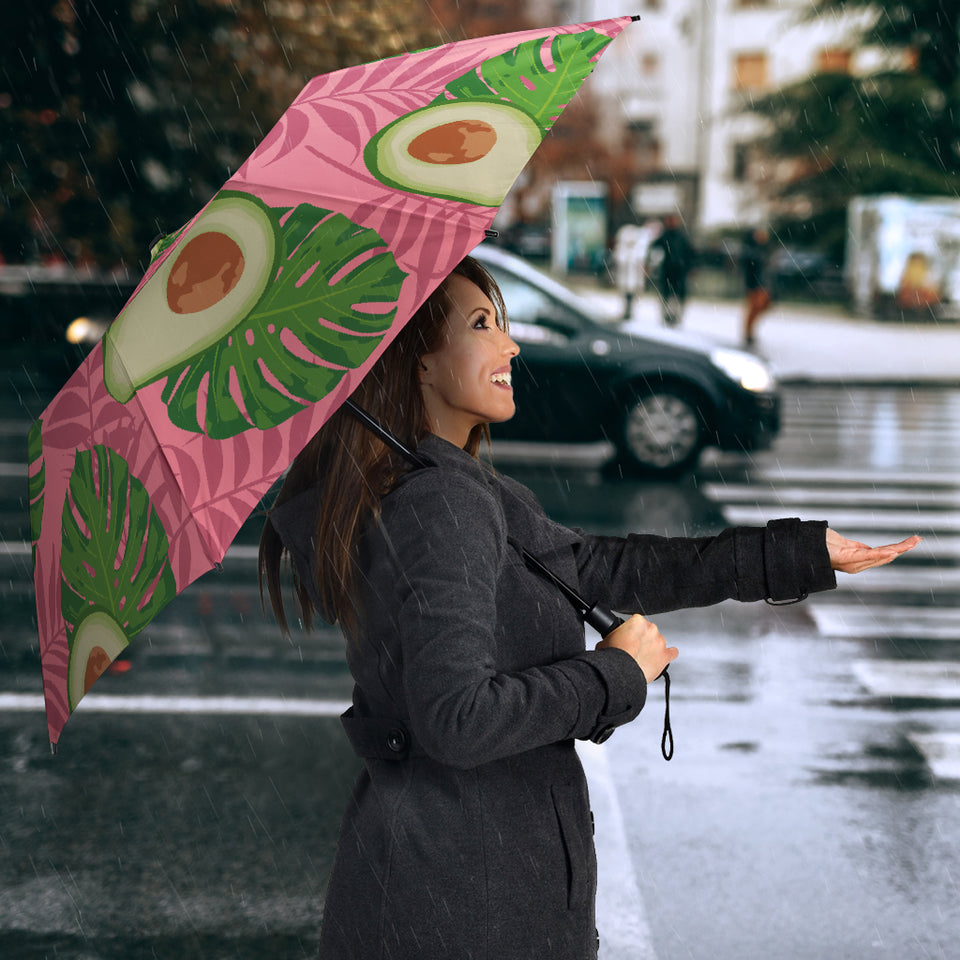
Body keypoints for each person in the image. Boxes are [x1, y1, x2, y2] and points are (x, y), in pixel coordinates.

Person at [259, 256, 919, 960]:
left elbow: (604, 567)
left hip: (453, 884)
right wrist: (613, 673)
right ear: (417, 363)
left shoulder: (452, 489)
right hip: (466, 903)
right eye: (482, 325)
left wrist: (796, 554)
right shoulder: (439, 504)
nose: (510, 345)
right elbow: (456, 719)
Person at [648, 213, 695, 327]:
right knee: (667, 294)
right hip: (668, 270)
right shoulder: (665, 236)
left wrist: (690, 267)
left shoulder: (681, 237)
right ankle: (667, 315)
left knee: (677, 295)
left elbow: (690, 253)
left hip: (679, 271)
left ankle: (675, 316)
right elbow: (654, 249)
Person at [741, 226, 772, 347]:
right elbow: (750, 265)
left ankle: (750, 331)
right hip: (754, 284)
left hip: (763, 283)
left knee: (762, 306)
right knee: (754, 308)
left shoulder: (763, 249)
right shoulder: (750, 250)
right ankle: (748, 333)